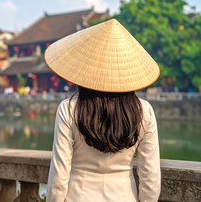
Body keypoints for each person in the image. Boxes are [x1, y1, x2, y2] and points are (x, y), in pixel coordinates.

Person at [44, 19, 161, 202]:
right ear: (127, 70)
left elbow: (59, 176)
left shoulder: (68, 109)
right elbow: (150, 175)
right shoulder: (144, 111)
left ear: (85, 69)